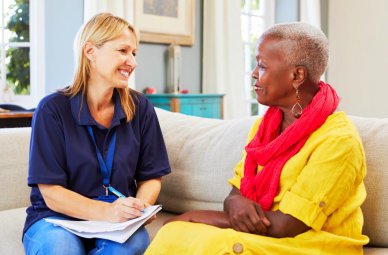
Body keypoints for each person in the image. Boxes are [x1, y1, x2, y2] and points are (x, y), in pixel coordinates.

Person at [145, 22, 369, 254]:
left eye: (262, 66)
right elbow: (236, 193)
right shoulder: (267, 125)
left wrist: (196, 217)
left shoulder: (339, 141)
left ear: (297, 75)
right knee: (173, 232)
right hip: (271, 236)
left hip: (313, 244)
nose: (253, 73)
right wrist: (235, 203)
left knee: (213, 244)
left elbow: (287, 225)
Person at [22, 13, 171, 255]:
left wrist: (140, 209)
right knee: (62, 250)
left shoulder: (140, 107)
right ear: (90, 51)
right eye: (123, 50)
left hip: (117, 222)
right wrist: (106, 212)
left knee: (131, 246)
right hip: (57, 219)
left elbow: (151, 177)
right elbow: (51, 193)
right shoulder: (52, 109)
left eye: (134, 53)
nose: (132, 62)